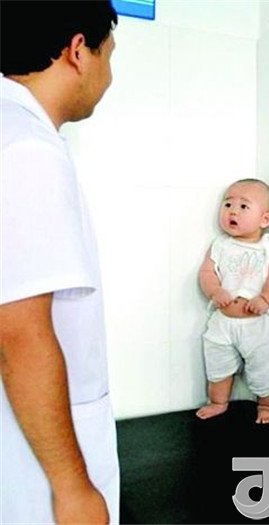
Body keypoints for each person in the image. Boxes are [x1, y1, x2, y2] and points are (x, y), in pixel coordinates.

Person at [0, 2, 120, 523]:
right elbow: (19, 332)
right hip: (33, 459)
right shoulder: (26, 149)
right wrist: (73, 488)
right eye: (109, 55)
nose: (109, 76)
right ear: (77, 52)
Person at [196, 178, 269, 424]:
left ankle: (266, 406)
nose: (233, 211)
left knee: (265, 367)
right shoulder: (220, 245)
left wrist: (265, 299)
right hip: (223, 322)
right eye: (228, 204)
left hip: (258, 324)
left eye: (243, 206)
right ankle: (218, 402)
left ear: (265, 219)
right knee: (217, 365)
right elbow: (207, 272)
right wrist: (215, 291)